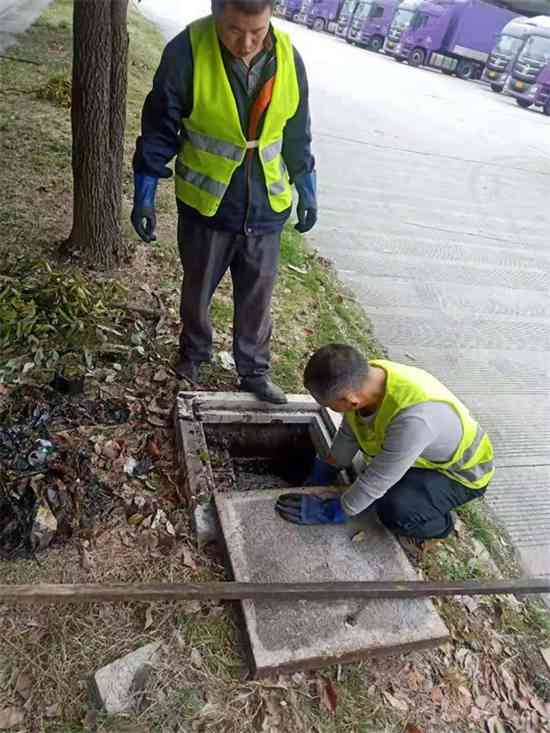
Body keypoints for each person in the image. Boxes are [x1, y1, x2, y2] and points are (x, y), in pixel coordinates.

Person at [131, 0, 317, 404]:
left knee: (257, 295)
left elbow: (297, 129)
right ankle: (193, 354)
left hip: (267, 205)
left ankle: (253, 370)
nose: (247, 43)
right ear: (215, 11)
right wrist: (144, 190)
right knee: (197, 289)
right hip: (207, 205)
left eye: (257, 31)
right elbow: (161, 125)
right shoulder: (187, 51)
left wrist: (307, 183)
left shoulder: (287, 55)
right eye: (234, 30)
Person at [275, 344, 494, 555]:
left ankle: (439, 525)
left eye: (331, 406)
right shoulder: (364, 377)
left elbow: (376, 481)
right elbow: (351, 431)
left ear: (351, 401)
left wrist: (332, 511)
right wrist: (327, 468)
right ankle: (419, 490)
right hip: (424, 451)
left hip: (462, 473)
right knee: (376, 478)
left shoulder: (414, 421)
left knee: (394, 508)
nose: (330, 410)